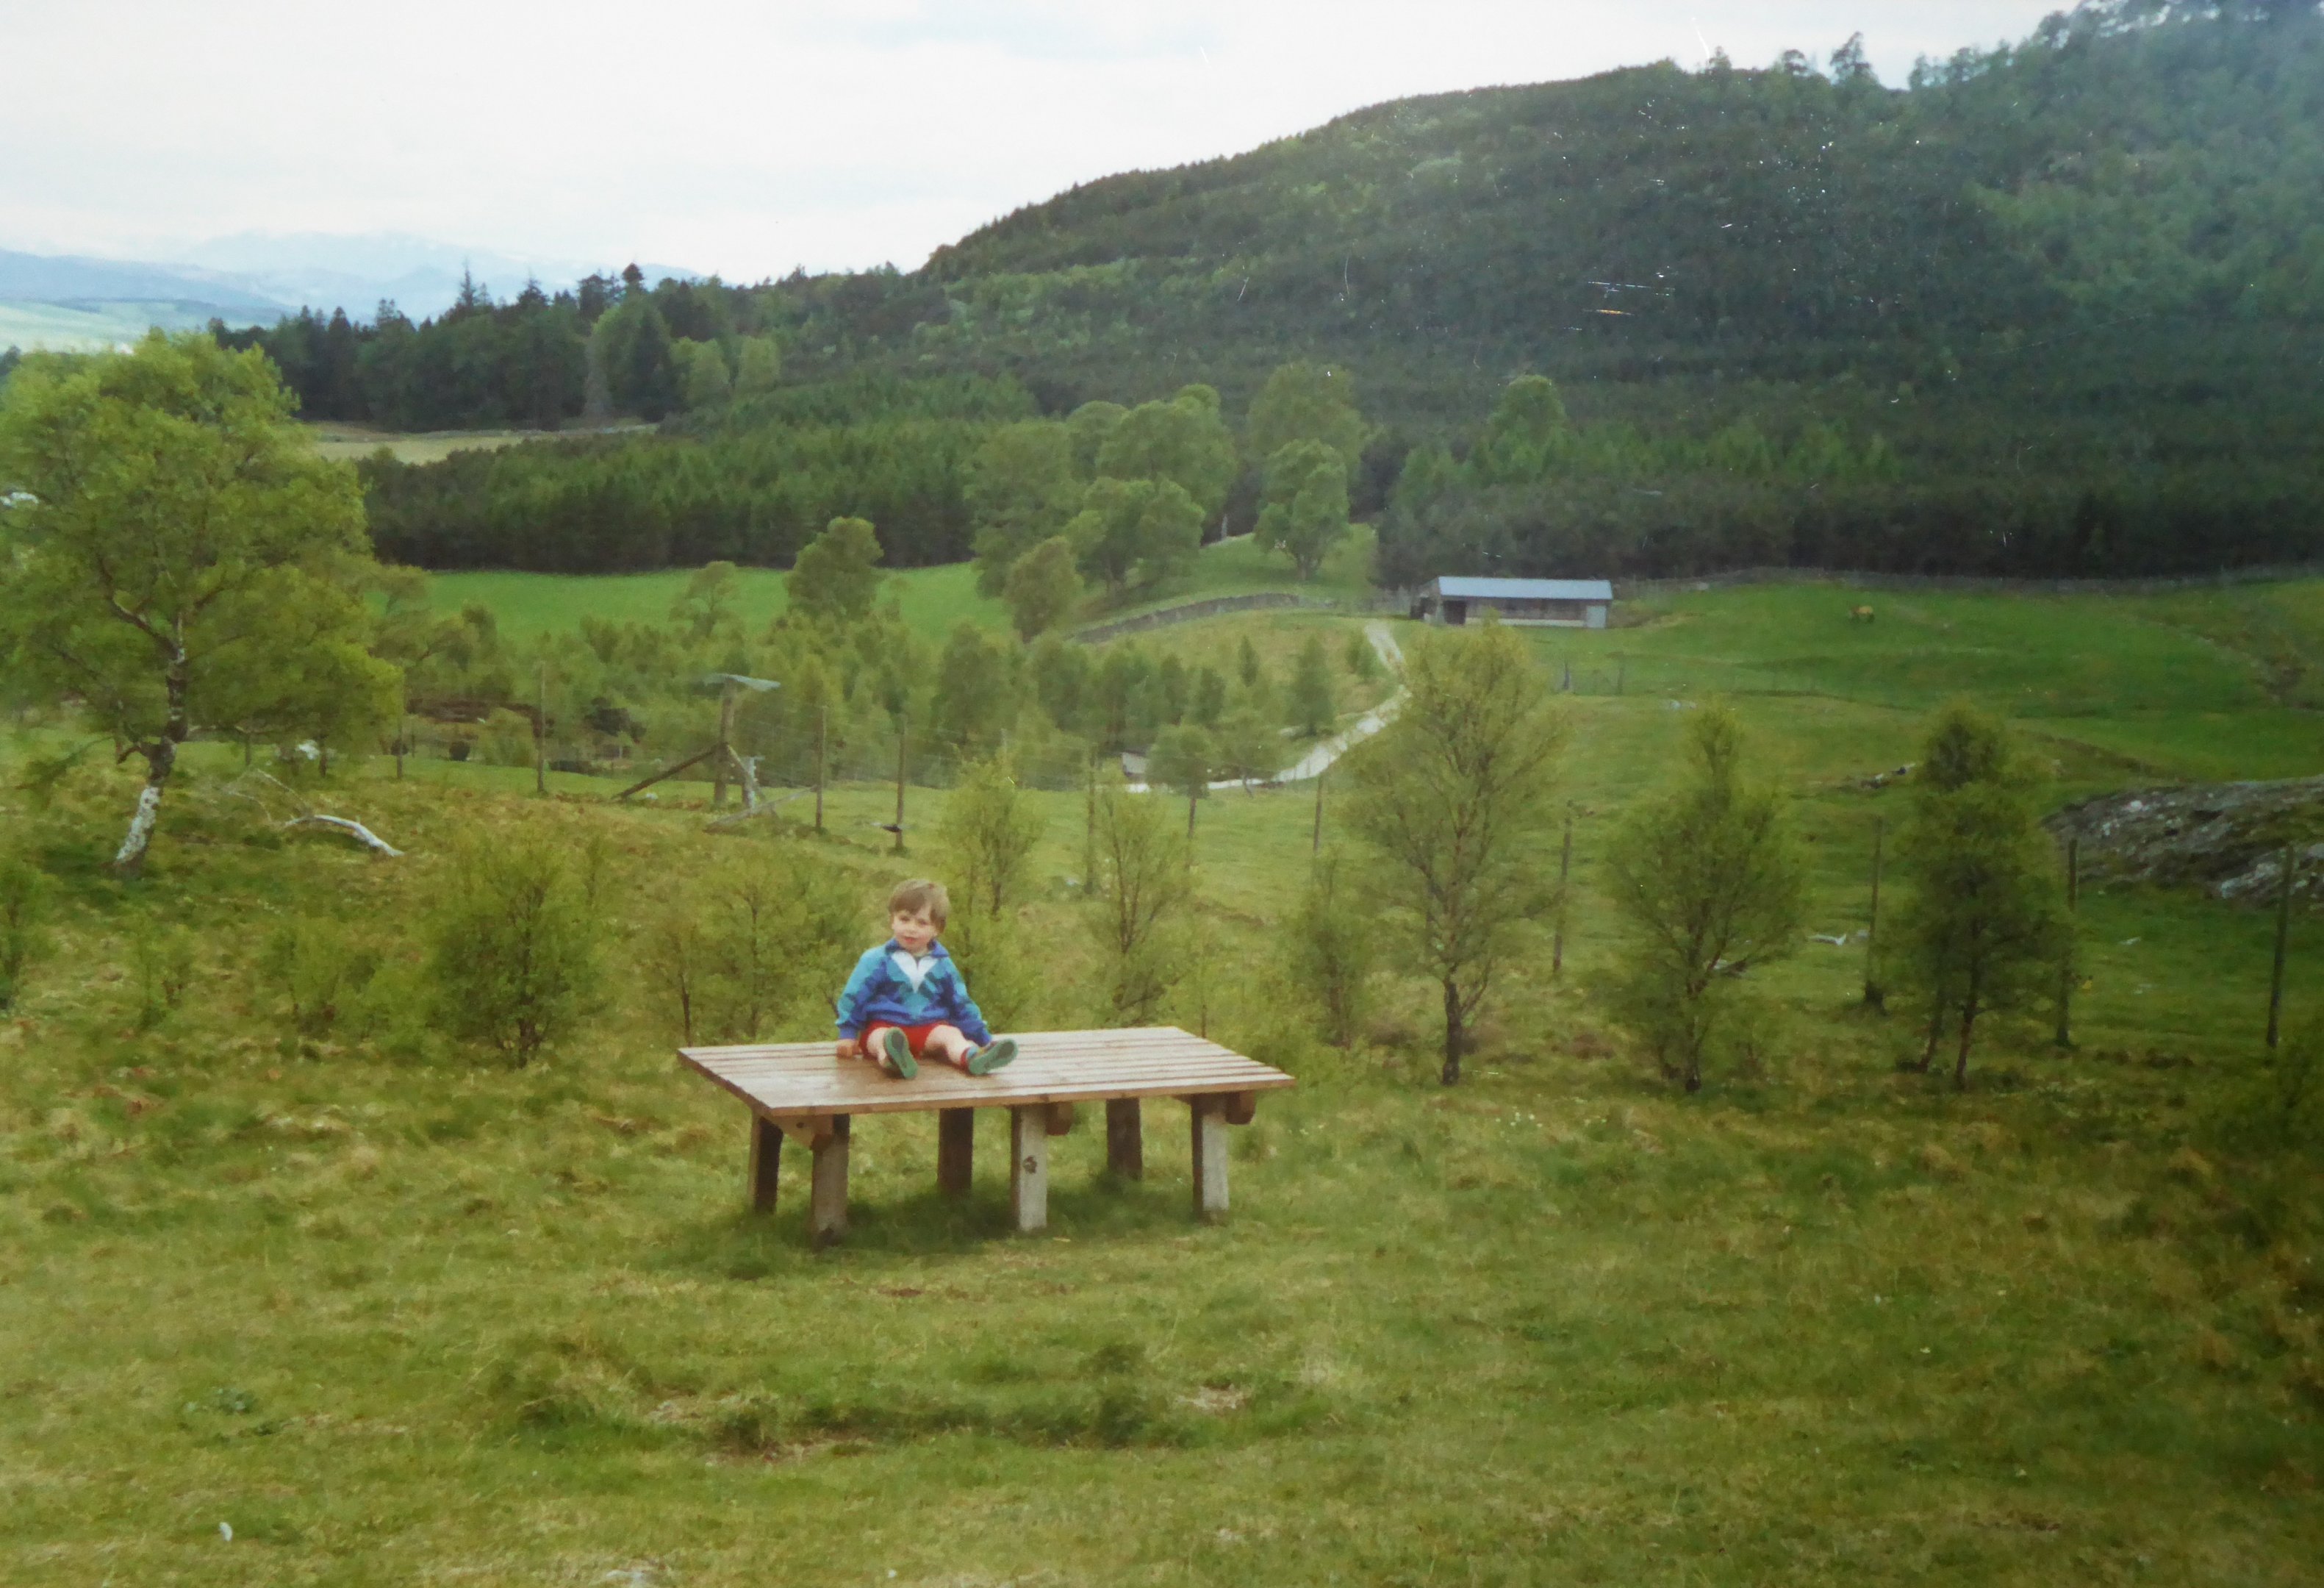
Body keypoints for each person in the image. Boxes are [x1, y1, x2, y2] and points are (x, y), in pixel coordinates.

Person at [833, 879, 1017, 1079]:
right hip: (885, 1025)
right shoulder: (877, 960)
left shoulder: (943, 965)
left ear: (937, 929)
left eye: (921, 923)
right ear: (892, 920)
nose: (911, 928)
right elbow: (855, 995)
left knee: (951, 1035)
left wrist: (983, 1038)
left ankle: (973, 1058)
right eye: (904, 919)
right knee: (880, 1039)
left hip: (928, 1029)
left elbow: (960, 1003)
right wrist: (848, 1034)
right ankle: (894, 1059)